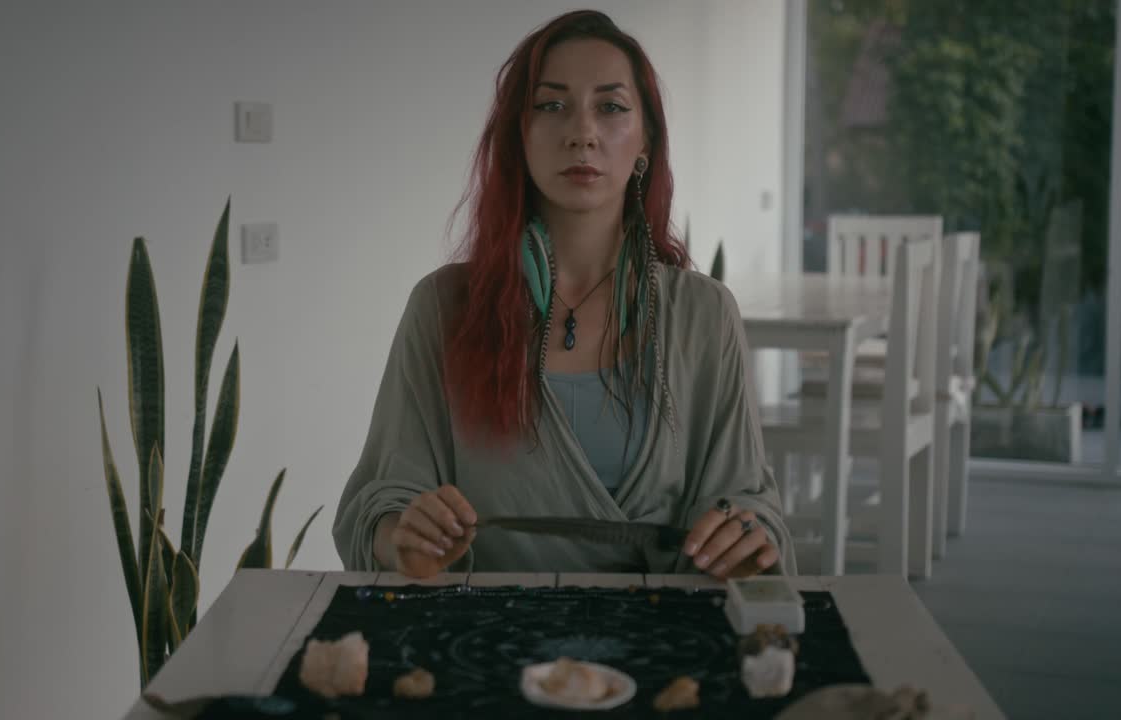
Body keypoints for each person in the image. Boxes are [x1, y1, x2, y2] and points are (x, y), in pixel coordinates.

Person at [334, 9, 795, 580]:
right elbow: (375, 507)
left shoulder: (705, 314)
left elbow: (748, 500)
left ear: (645, 141)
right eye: (551, 105)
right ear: (518, 137)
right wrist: (400, 538)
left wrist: (744, 534)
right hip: (488, 648)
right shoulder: (442, 308)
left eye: (611, 107)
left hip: (663, 649)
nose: (582, 132)